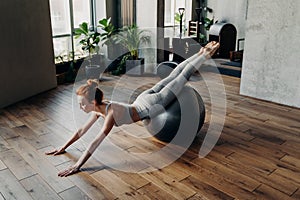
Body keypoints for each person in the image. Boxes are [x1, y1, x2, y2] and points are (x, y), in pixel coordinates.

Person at [45, 41, 220, 177]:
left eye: (82, 104)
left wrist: (78, 165)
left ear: (93, 101)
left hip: (153, 103)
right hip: (144, 98)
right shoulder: (98, 109)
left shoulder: (110, 114)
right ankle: (200, 53)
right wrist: (63, 147)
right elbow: (81, 131)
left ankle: (204, 54)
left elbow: (95, 142)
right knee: (176, 76)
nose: (80, 107)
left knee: (181, 77)